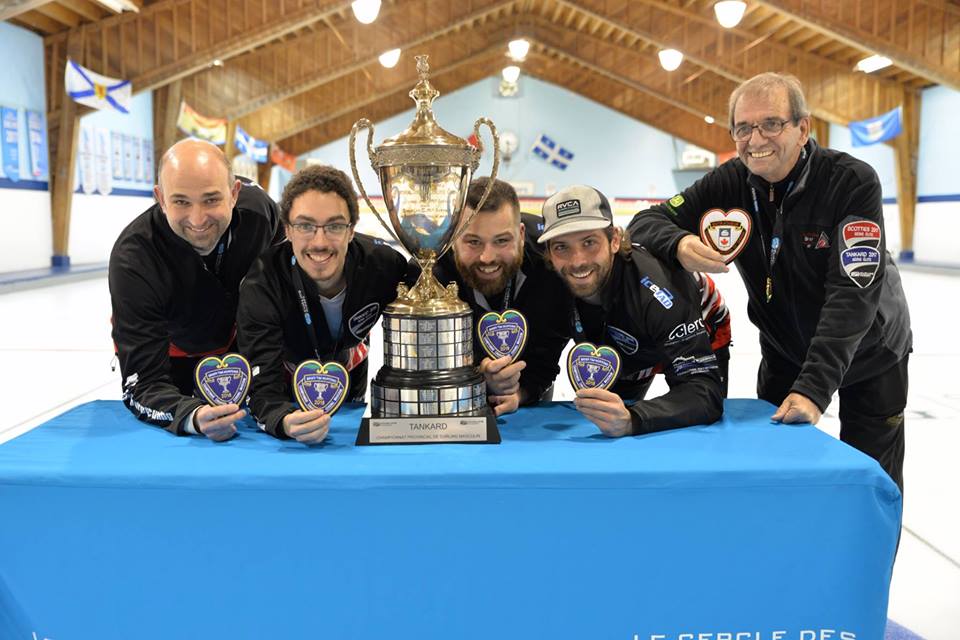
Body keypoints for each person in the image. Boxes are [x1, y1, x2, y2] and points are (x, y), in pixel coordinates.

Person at [628, 72, 911, 491]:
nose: (756, 139)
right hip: (783, 352)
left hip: (871, 353)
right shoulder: (730, 182)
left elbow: (852, 295)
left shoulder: (850, 181)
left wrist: (814, 390)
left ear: (803, 129)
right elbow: (645, 222)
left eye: (771, 124)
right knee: (776, 477)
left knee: (871, 484)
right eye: (743, 127)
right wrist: (681, 243)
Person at [109, 138, 280, 441]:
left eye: (212, 199)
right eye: (181, 202)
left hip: (245, 344)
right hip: (176, 356)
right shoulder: (134, 258)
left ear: (234, 193)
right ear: (160, 199)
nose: (198, 219)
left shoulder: (261, 215)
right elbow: (144, 383)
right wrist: (191, 417)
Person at [238, 164, 408, 445]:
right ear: (288, 230)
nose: (320, 242)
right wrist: (282, 420)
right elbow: (262, 387)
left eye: (334, 226)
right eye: (305, 225)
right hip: (286, 379)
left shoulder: (385, 266)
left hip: (350, 374)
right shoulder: (263, 282)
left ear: (351, 230)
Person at [539, 185, 726, 437]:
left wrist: (634, 418)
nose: (577, 261)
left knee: (688, 424)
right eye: (562, 247)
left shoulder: (659, 296)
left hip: (696, 323)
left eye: (589, 242)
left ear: (615, 240)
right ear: (549, 253)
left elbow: (704, 393)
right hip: (621, 333)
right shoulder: (551, 280)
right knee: (609, 420)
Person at [428, 177, 571, 416]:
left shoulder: (552, 268)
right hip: (452, 392)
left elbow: (547, 354)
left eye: (502, 241)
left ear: (521, 234)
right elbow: (426, 358)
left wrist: (521, 394)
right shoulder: (429, 273)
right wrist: (473, 372)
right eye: (473, 241)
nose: (487, 257)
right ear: (453, 239)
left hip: (526, 389)